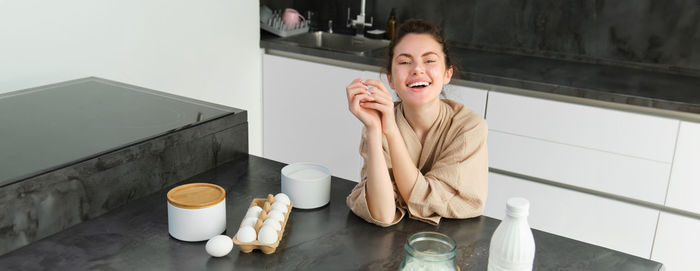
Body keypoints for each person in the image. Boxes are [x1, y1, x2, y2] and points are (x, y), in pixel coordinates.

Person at [345, 19, 488, 226]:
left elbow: (434, 199)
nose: (417, 69)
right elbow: (382, 213)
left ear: (448, 74)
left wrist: (391, 131)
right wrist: (375, 130)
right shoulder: (379, 121)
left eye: (429, 61)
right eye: (404, 62)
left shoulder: (469, 127)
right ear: (391, 79)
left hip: (448, 245)